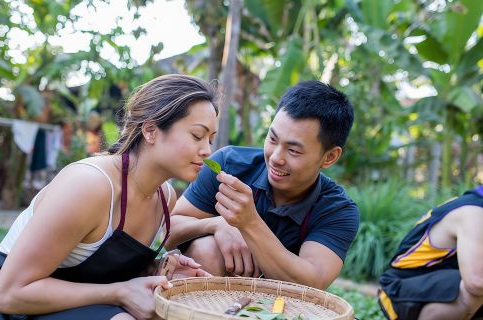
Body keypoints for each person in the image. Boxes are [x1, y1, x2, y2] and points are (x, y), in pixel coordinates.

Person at [0, 74, 219, 320]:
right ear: (150, 131)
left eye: (211, 139)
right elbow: (8, 295)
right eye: (197, 135)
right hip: (1, 304)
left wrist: (155, 269)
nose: (207, 150)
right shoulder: (89, 184)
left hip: (71, 299)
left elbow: (94, 266)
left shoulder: (165, 197)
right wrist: (119, 291)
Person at [166, 80, 359, 290]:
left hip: (281, 307)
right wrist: (215, 224)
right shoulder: (229, 165)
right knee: (207, 249)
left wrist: (248, 223)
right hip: (214, 295)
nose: (276, 158)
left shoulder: (337, 210)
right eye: (273, 139)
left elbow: (311, 284)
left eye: (293, 150)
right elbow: (167, 231)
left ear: (329, 157)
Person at [378, 186, 483, 320]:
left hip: (436, 283)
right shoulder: (474, 212)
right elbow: (477, 282)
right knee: (474, 290)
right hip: (404, 288)